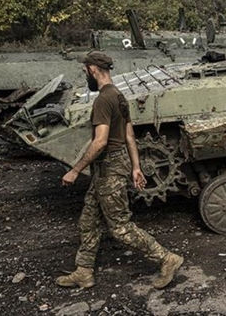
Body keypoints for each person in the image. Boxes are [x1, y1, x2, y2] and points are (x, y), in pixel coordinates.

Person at [56, 51, 183, 289]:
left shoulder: (103, 100)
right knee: (88, 219)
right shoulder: (119, 95)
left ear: (93, 70)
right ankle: (84, 271)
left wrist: (75, 170)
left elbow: (100, 142)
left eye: (85, 71)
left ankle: (167, 259)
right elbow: (129, 135)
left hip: (109, 168)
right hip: (111, 165)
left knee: (120, 227)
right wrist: (135, 167)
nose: (85, 75)